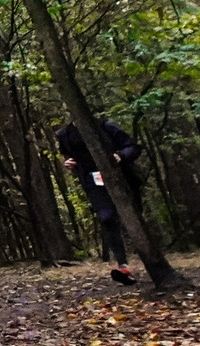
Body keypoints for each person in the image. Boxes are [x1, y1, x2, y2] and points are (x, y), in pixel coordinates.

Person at [57, 118, 140, 287]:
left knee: (135, 220)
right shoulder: (64, 134)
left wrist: (120, 156)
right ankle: (123, 266)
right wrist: (70, 163)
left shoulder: (104, 126)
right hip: (94, 183)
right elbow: (69, 157)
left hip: (121, 179)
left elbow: (133, 147)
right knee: (107, 218)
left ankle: (152, 261)